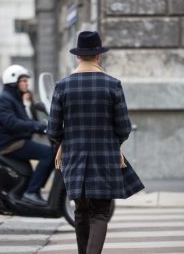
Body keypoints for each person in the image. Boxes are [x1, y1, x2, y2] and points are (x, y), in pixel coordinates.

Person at [48, 31, 144, 254]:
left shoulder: (63, 86)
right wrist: (112, 143)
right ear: (98, 56)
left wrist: (64, 143)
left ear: (78, 57)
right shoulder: (112, 85)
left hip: (74, 158)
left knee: (80, 211)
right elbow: (124, 128)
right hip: (106, 157)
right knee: (100, 212)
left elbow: (53, 129)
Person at [0, 65, 55, 206]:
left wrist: (43, 126)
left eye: (26, 80)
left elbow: (24, 121)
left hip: (19, 140)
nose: (27, 83)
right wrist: (36, 126)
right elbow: (12, 123)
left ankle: (33, 191)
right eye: (23, 81)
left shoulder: (15, 99)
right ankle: (32, 192)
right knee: (49, 153)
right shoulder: (5, 100)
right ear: (14, 82)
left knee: (49, 153)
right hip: (10, 143)